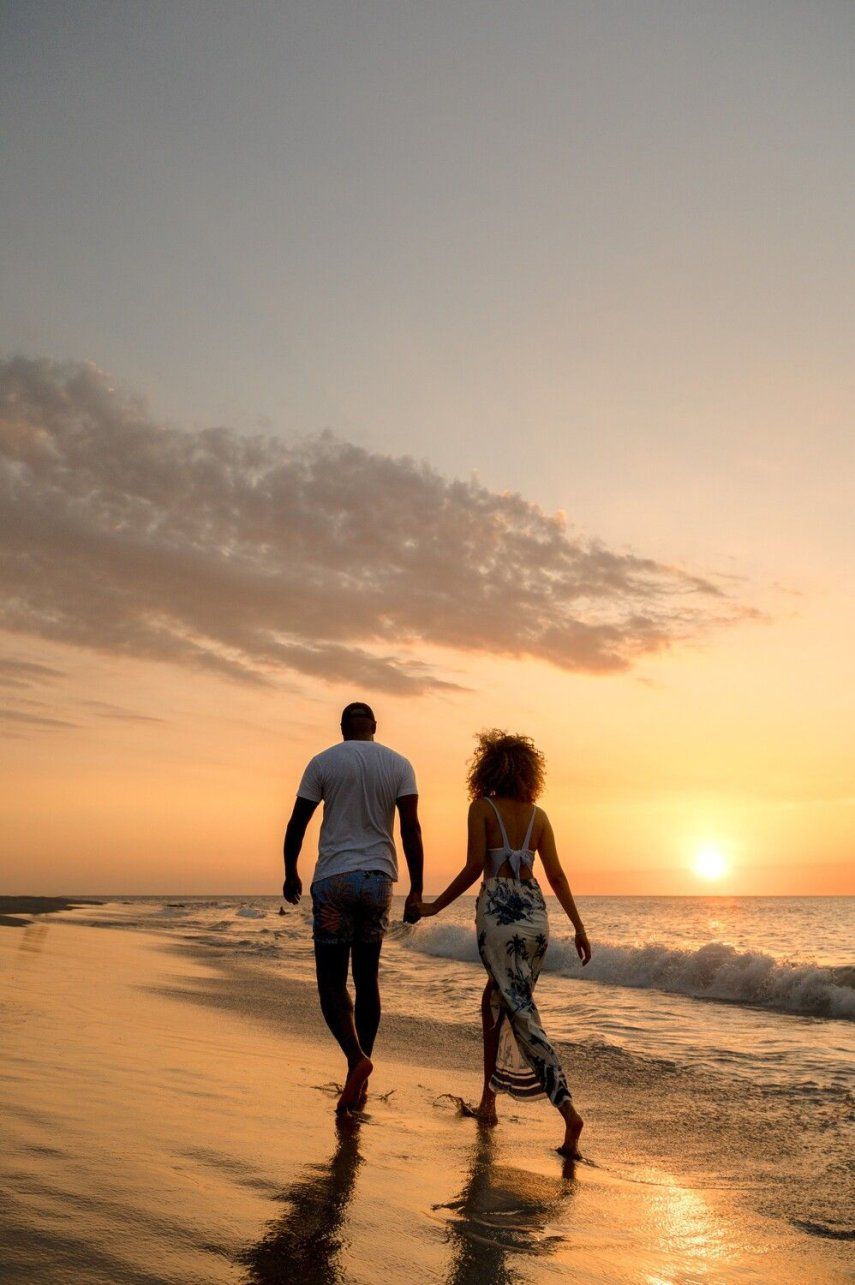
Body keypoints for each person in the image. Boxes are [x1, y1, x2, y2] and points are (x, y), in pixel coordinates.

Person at [412, 730, 591, 1157]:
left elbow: (476, 866)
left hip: (498, 917)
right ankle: (488, 1100)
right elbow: (558, 877)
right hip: (535, 921)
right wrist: (580, 928)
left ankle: (568, 1110)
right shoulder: (539, 817)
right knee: (497, 999)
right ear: (529, 772)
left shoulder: (482, 807)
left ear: (488, 768)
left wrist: (435, 906)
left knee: (521, 1012)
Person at [282, 702, 424, 1112]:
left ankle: (356, 1059)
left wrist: (290, 871)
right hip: (378, 880)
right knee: (367, 980)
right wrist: (416, 889)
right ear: (374, 727)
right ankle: (356, 1080)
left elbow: (298, 822)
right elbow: (411, 828)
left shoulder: (323, 762)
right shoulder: (399, 764)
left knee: (331, 983)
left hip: (334, 879)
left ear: (343, 728)